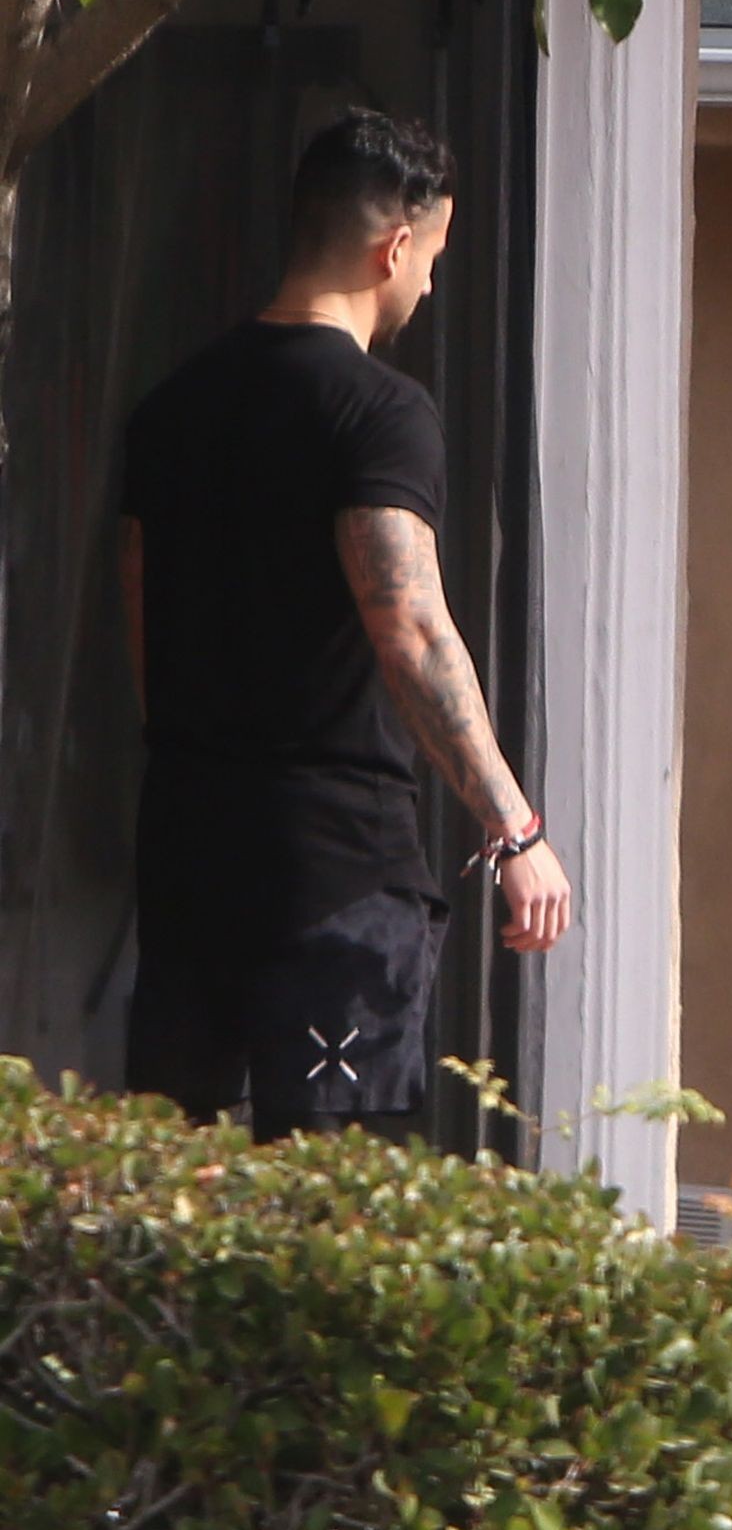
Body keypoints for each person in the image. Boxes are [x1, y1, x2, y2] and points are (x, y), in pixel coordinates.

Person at [118, 109, 570, 1144]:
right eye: (434, 259)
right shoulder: (379, 412)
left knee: (179, 1186)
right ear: (393, 248)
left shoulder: (170, 409)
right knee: (327, 1197)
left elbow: (143, 613)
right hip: (333, 873)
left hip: (185, 855)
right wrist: (515, 829)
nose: (429, 287)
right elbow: (408, 624)